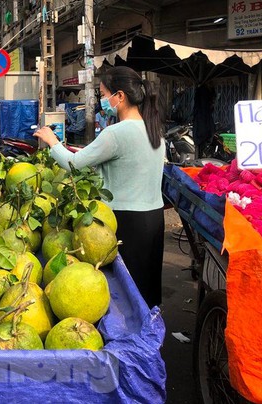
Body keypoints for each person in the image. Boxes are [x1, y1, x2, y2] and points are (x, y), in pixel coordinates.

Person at [34, 66, 165, 308]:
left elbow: (72, 165)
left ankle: (129, 344)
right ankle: (152, 341)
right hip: (154, 220)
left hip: (126, 221)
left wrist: (52, 141)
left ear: (120, 96)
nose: (103, 101)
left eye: (104, 95)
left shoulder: (116, 133)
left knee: (126, 293)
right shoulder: (154, 129)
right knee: (147, 289)